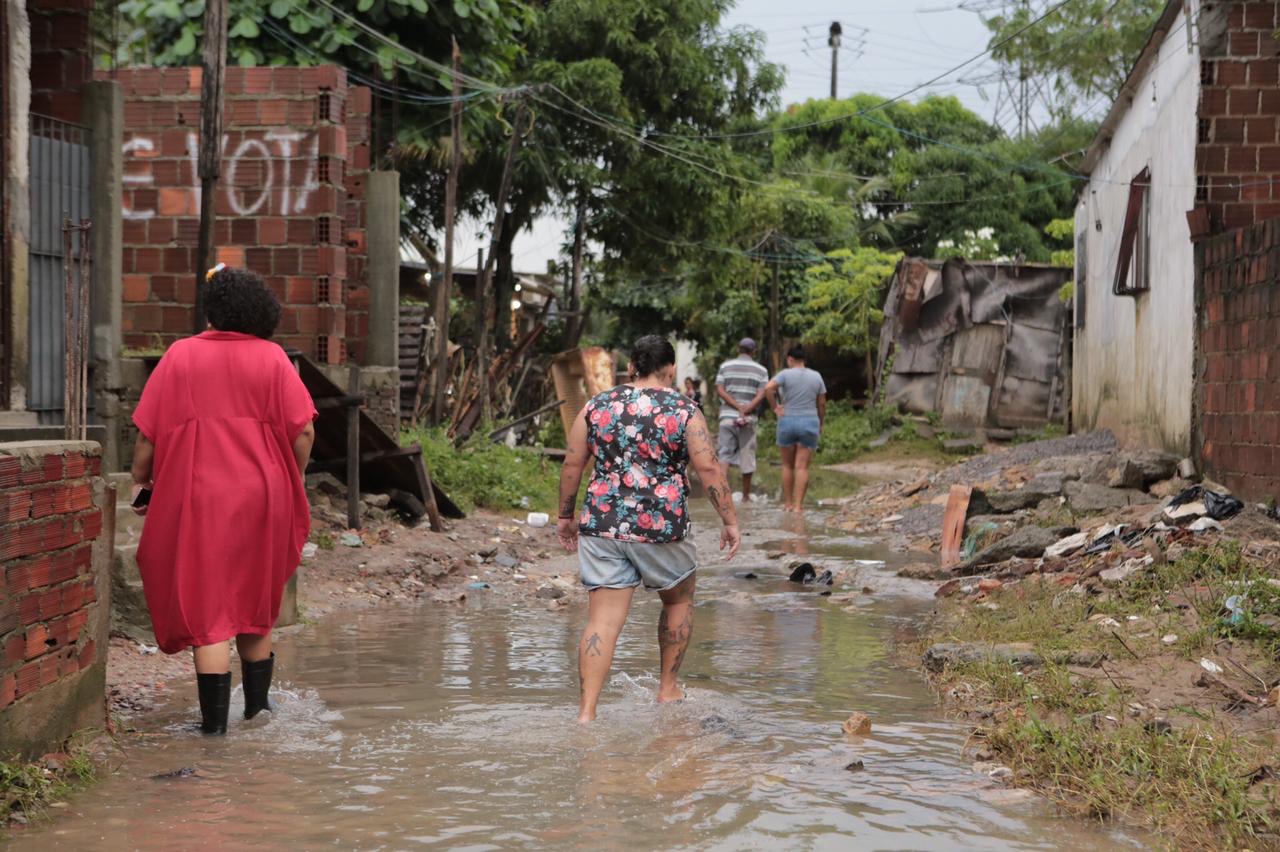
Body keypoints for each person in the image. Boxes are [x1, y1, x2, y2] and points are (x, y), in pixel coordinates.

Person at [130, 264, 317, 735]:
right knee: (255, 601)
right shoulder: (273, 359)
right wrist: (292, 476)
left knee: (209, 610)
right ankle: (258, 713)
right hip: (264, 497)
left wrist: (140, 479)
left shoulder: (180, 356)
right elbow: (304, 431)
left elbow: (147, 437)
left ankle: (213, 731)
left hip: (200, 499)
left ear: (213, 308)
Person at [557, 335, 742, 723]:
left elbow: (573, 463)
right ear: (671, 370)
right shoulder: (685, 410)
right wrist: (729, 520)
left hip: (603, 524)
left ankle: (586, 713)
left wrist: (565, 516)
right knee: (677, 600)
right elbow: (708, 468)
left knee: (602, 621)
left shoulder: (596, 406)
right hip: (661, 526)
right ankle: (667, 689)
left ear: (631, 368)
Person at [764, 345, 827, 512]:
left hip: (787, 421)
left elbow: (768, 388)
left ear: (790, 359)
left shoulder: (784, 374)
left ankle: (788, 504)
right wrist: (821, 423)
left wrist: (775, 407)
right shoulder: (816, 376)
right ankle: (799, 506)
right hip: (809, 422)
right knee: (802, 467)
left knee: (787, 465)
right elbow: (821, 403)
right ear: (804, 359)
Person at [713, 338, 769, 502]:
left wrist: (736, 406)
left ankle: (722, 496)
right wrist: (746, 408)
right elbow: (762, 394)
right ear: (754, 352)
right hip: (748, 419)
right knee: (747, 457)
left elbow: (720, 390)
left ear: (738, 349)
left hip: (727, 418)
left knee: (724, 455)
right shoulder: (761, 370)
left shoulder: (725, 366)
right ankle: (745, 497)